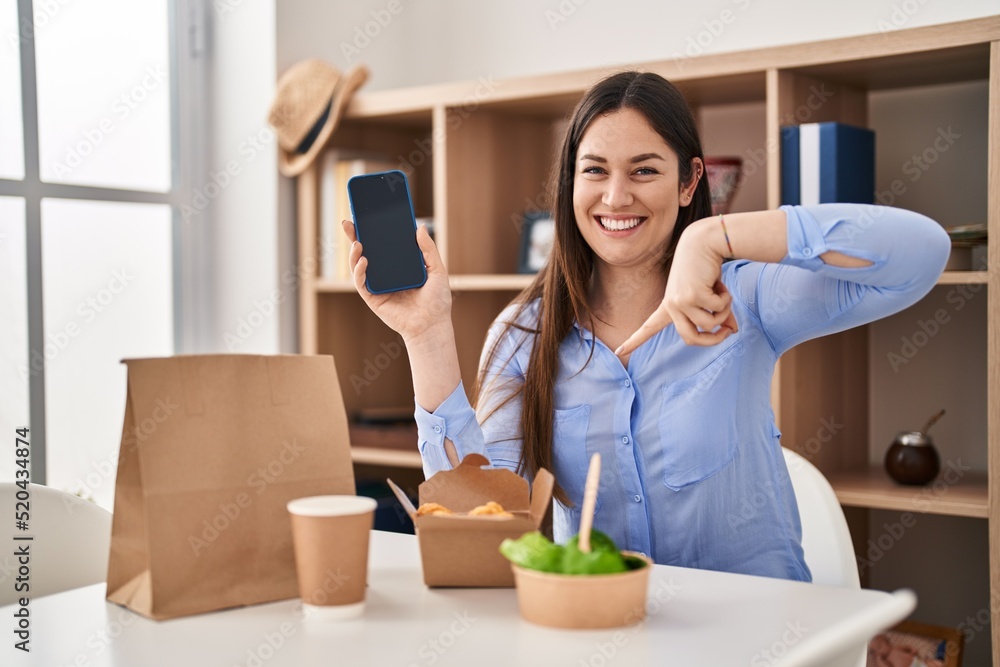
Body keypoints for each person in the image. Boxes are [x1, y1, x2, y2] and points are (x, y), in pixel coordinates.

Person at [341, 71, 950, 581]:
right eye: (595, 170)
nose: (615, 196)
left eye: (645, 171)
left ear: (690, 182)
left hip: (758, 639)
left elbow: (921, 252)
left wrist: (717, 236)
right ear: (570, 185)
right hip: (610, 635)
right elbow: (480, 522)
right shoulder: (525, 333)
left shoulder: (745, 295)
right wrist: (425, 335)